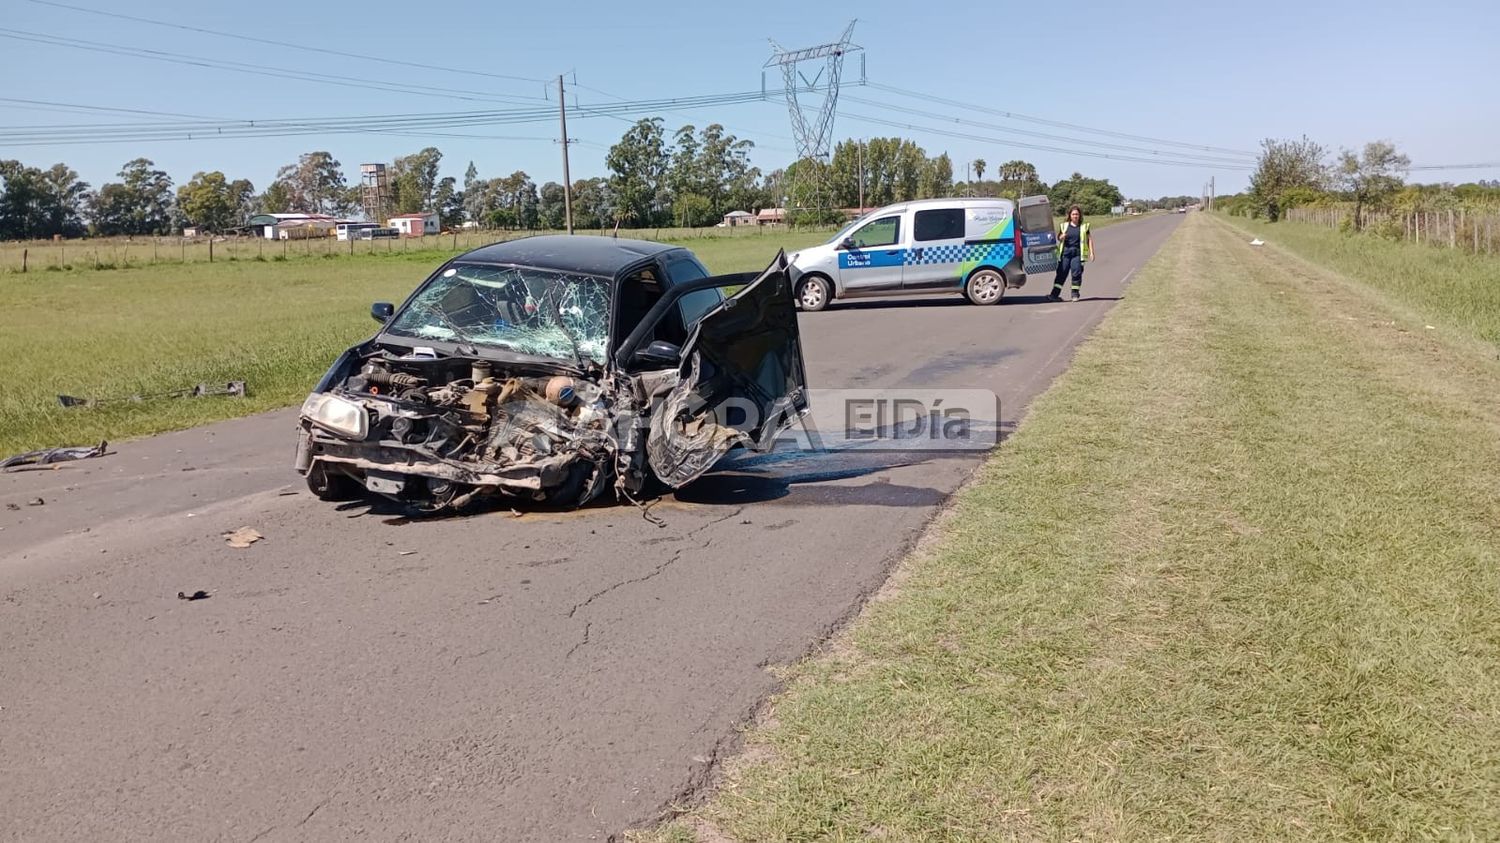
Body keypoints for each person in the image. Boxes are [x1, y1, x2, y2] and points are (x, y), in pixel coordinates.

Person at [1049, 205, 1094, 302]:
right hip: (1065, 253)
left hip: (1077, 254)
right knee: (1061, 273)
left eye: (1077, 214)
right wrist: (1062, 237)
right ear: (1070, 215)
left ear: (1080, 215)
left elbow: (1089, 239)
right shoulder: (1064, 226)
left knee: (1076, 273)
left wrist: (1092, 253)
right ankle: (1054, 295)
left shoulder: (1084, 226)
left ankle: (1075, 294)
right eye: (1073, 214)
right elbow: (1059, 238)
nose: (1075, 216)